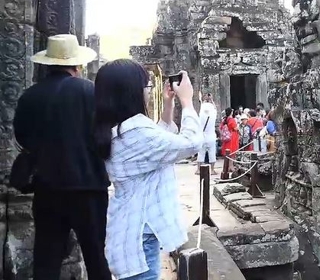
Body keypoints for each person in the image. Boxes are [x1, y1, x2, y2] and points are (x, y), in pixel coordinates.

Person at [13, 34, 111, 280]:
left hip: (47, 188)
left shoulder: (30, 96)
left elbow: (22, 137)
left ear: (47, 64)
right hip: (89, 187)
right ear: (77, 65)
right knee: (96, 257)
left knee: (46, 260)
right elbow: (104, 140)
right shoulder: (90, 92)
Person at [94, 62, 203, 280]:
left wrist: (168, 105)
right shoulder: (136, 131)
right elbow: (191, 143)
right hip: (139, 236)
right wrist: (188, 102)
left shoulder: (119, 127)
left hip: (132, 229)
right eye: (146, 86)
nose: (148, 90)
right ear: (131, 92)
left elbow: (156, 148)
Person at [196, 93, 217, 175]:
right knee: (212, 152)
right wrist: (211, 100)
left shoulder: (201, 114)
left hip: (202, 135)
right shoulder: (213, 114)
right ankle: (212, 170)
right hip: (211, 136)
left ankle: (198, 169)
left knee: (200, 153)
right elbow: (215, 109)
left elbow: (201, 107)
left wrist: (203, 100)